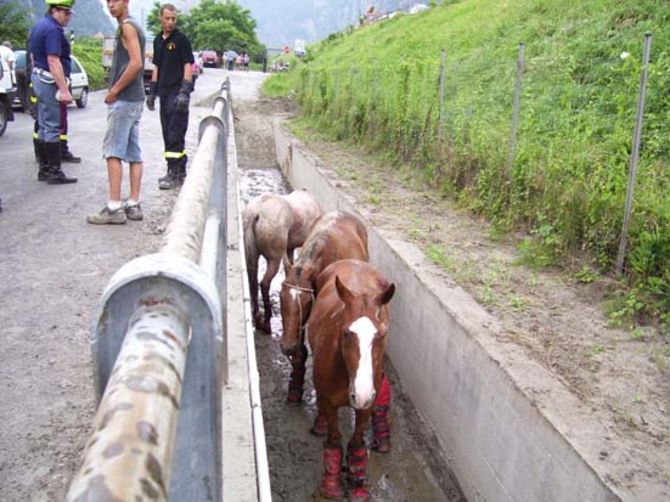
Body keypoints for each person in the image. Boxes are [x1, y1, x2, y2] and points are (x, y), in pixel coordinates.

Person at [86, 0, 145, 224]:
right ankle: (133, 203)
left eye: (116, 0)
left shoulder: (127, 27)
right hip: (135, 99)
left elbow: (136, 63)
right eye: (108, 1)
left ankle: (113, 208)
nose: (111, 5)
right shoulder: (133, 25)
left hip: (124, 100)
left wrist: (114, 90)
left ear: (126, 2)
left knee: (113, 152)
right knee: (134, 153)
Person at [27, 0, 77, 184]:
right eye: (66, 12)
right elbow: (54, 61)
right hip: (49, 81)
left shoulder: (39, 25)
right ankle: (54, 172)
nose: (68, 17)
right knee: (53, 126)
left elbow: (33, 56)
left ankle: (45, 169)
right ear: (55, 10)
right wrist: (64, 90)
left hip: (38, 77)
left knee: (43, 124)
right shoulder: (53, 30)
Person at [145, 3, 194, 190]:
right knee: (167, 133)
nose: (171, 22)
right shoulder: (158, 40)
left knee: (175, 133)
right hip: (164, 94)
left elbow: (188, 65)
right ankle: (173, 170)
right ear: (161, 18)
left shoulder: (181, 40)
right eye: (167, 18)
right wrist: (152, 92)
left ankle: (176, 173)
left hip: (177, 94)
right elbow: (156, 66)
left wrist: (185, 91)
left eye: (173, 19)